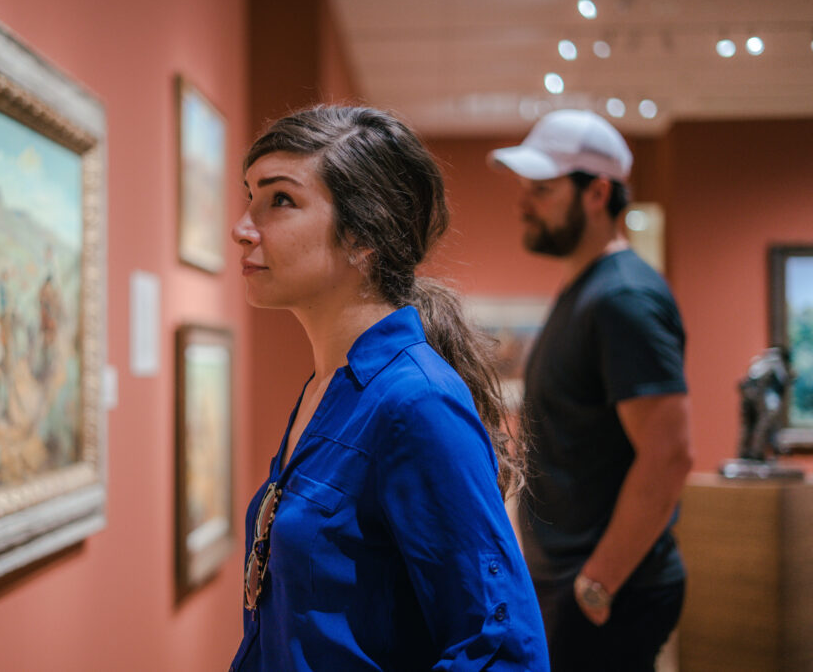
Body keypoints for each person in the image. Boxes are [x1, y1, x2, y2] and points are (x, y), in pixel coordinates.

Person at [228, 106, 548, 671]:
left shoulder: (416, 403)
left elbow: (501, 650)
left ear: (362, 235)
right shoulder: (328, 386)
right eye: (248, 196)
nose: (242, 226)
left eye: (279, 200)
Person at [487, 109, 693, 672]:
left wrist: (596, 584)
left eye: (542, 190)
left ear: (598, 192)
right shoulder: (586, 290)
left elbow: (669, 454)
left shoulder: (623, 298)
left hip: (605, 590)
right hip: (572, 581)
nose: (522, 203)